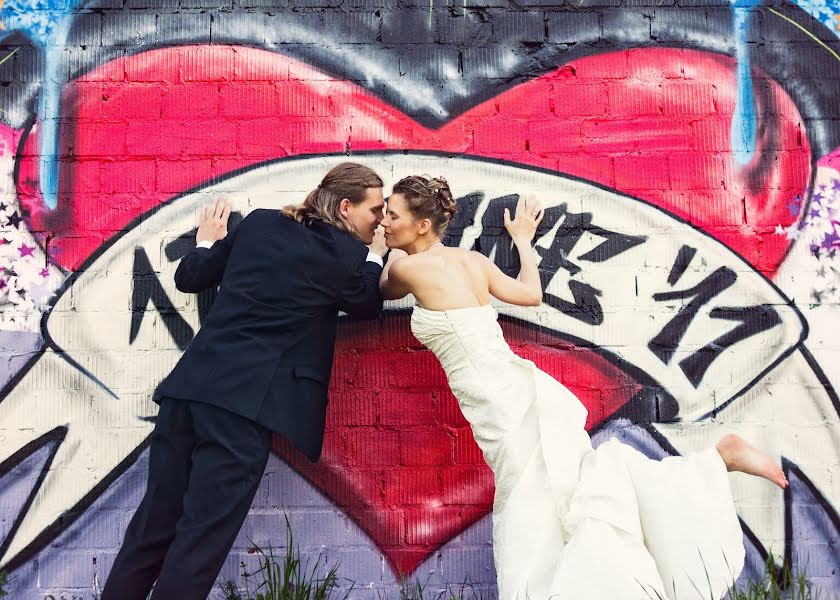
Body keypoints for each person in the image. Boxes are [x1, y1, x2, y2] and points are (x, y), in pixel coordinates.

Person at [378, 175, 788, 600]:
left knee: (532, 503)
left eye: (392, 215)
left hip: (499, 403)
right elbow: (530, 293)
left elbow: (379, 288)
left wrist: (375, 249)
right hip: (516, 385)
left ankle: (713, 462)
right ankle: (708, 465)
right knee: (568, 491)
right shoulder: (471, 261)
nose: (385, 224)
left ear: (421, 225)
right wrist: (522, 239)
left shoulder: (409, 267)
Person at [102, 162, 388, 600]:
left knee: (152, 526)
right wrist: (374, 256)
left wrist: (205, 243)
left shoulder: (259, 223)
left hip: (188, 392)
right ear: (347, 207)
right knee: (200, 541)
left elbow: (190, 276)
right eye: (376, 210)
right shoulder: (347, 257)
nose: (381, 220)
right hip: (243, 411)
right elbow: (367, 303)